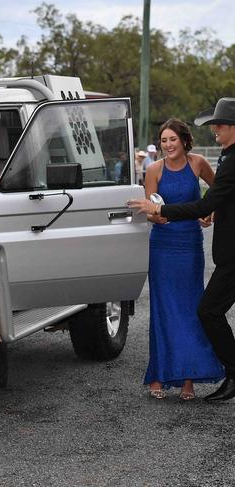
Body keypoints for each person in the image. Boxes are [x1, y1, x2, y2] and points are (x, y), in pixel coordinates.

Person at [129, 98, 235, 402]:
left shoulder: (202, 162)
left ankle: (191, 377)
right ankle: (161, 374)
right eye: (163, 140)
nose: (167, 145)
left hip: (190, 246)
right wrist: (157, 214)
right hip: (163, 245)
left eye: (172, 139)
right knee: (169, 311)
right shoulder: (154, 169)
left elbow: (214, 196)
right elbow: (154, 211)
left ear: (183, 140)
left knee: (196, 310)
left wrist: (209, 212)